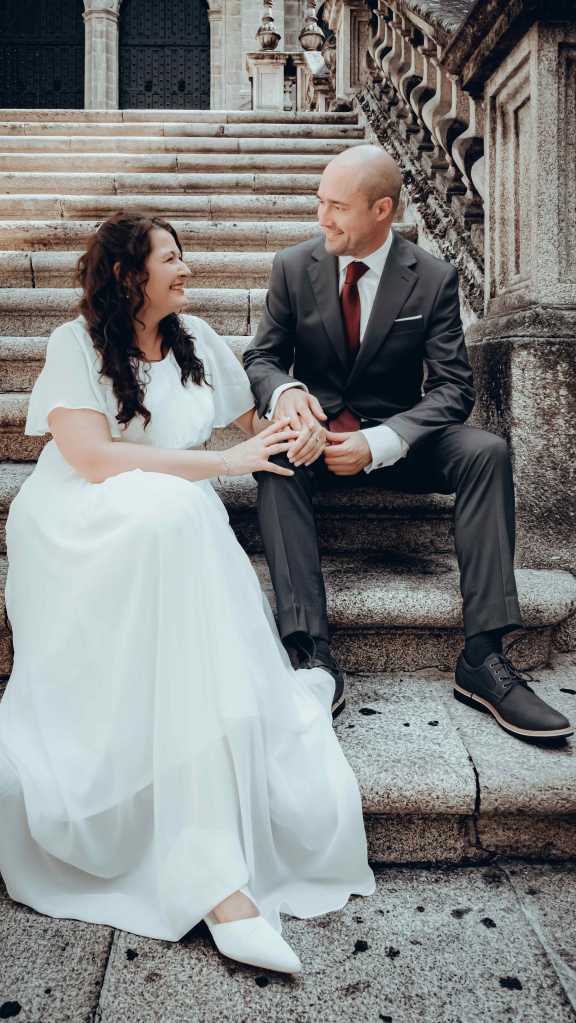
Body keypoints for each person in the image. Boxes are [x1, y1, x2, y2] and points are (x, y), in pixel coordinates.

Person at [0, 212, 375, 974]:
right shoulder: (74, 344)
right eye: (171, 258)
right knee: (176, 512)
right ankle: (216, 886)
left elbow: (250, 423)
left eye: (184, 254)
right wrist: (226, 462)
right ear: (125, 274)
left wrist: (293, 431)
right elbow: (97, 460)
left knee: (179, 517)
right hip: (83, 519)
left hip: (172, 520)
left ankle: (212, 866)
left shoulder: (198, 337)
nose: (187, 268)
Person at [243, 144, 572, 743]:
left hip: (395, 442)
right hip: (314, 443)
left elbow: (452, 388)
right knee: (272, 457)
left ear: (382, 210)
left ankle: (484, 657)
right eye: (321, 203)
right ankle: (310, 650)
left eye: (337, 207)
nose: (322, 218)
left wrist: (385, 439)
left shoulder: (434, 278)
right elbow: (262, 356)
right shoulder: (293, 267)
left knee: (486, 451)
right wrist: (286, 391)